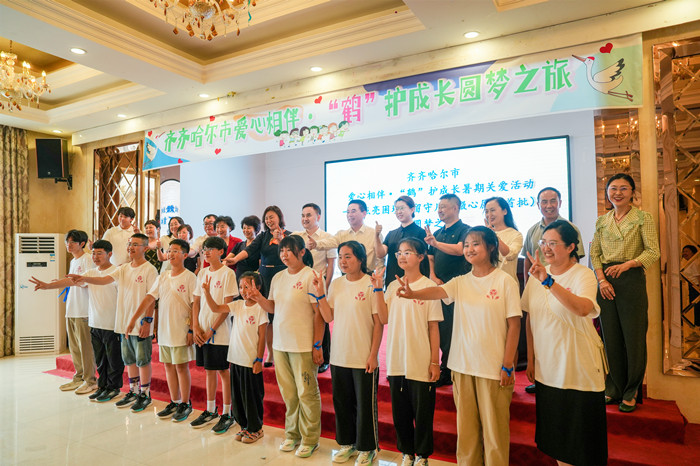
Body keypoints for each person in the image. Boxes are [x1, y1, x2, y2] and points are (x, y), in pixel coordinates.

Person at [397, 227, 521, 466]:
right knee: (466, 432)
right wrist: (413, 294)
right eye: (466, 245)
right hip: (462, 367)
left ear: (491, 247)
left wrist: (508, 364)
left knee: (494, 433)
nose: (469, 249)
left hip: (493, 369)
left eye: (475, 244)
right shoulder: (462, 281)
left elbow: (514, 325)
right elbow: (438, 291)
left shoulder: (505, 281)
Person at [522, 221, 608, 466]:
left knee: (582, 444)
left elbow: (583, 309)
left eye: (553, 243)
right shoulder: (535, 275)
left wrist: (549, 282)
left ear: (571, 247)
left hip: (578, 369)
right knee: (558, 440)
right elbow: (530, 318)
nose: (546, 248)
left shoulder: (583, 274)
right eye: (543, 242)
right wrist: (531, 359)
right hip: (548, 369)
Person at [249, 235, 324, 459]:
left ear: (302, 252)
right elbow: (273, 307)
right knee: (289, 394)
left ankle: (310, 439)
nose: (284, 254)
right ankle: (292, 434)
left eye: (289, 250)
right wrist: (258, 298)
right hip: (281, 345)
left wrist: (317, 344)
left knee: (307, 393)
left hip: (303, 345)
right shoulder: (278, 277)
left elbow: (319, 314)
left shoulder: (311, 276)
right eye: (282, 250)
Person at [591, 173, 660, 413]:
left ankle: (631, 391)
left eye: (623, 188)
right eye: (613, 188)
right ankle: (614, 387)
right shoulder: (602, 221)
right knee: (610, 338)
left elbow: (653, 251)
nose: (617, 193)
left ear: (632, 192)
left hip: (631, 279)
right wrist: (601, 280)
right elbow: (595, 254)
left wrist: (628, 264)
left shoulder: (643, 218)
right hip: (605, 283)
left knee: (633, 338)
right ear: (607, 193)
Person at [68, 233, 159, 412]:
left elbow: (151, 298)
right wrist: (84, 278)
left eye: (136, 244)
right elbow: (104, 280)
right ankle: (133, 391)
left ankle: (145, 394)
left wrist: (147, 321)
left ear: (145, 248)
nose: (131, 247)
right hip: (124, 323)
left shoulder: (149, 269)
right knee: (129, 360)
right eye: (129, 244)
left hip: (140, 323)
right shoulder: (123, 268)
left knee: (142, 360)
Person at [313, 241, 383, 466]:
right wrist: (320, 294)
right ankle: (347, 444)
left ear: (360, 259)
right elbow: (328, 317)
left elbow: (379, 323)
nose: (342, 261)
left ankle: (368, 448)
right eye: (341, 257)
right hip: (339, 355)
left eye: (348, 256)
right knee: (342, 402)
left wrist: (373, 354)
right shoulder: (337, 284)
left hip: (363, 356)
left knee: (364, 404)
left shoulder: (370, 283)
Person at [374, 238, 442, 466]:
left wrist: (435, 362)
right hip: (396, 359)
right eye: (399, 253)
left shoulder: (429, 287)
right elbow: (383, 318)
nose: (401, 256)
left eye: (408, 252)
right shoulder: (393, 287)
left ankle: (422, 455)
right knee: (400, 411)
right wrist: (378, 289)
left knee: (423, 413)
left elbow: (434, 327)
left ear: (421, 257)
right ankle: (407, 452)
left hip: (421, 360)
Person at [521, 187, 585, 394]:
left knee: (559, 330)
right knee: (539, 330)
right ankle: (540, 375)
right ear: (538, 204)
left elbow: (576, 260)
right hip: (537, 286)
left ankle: (565, 376)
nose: (548, 205)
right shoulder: (532, 230)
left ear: (560, 202)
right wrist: (527, 285)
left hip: (561, 286)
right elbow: (527, 260)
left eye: (553, 201)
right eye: (544, 201)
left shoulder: (570, 228)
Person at [126, 239, 197, 423]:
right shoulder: (163, 276)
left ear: (185, 255)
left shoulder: (190, 277)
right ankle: (174, 401)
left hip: (181, 329)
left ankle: (185, 403)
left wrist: (192, 329)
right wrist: (133, 319)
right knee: (168, 366)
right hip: (165, 330)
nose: (171, 254)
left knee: (181, 367)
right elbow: (149, 298)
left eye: (175, 251)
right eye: (169, 250)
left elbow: (194, 305)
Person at [202, 271, 269, 444]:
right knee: (238, 397)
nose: (243, 290)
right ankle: (244, 426)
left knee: (251, 397)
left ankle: (256, 428)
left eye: (247, 286)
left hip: (250, 361)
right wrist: (207, 293)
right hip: (235, 359)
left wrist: (259, 359)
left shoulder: (261, 308)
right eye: (241, 287)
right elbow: (216, 308)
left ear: (257, 287)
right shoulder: (238, 305)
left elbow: (262, 336)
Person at [30, 230, 97, 394]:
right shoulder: (74, 261)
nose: (68, 245)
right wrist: (61, 282)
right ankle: (79, 377)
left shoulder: (88, 259)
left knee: (85, 348)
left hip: (83, 310)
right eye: (67, 242)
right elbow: (71, 282)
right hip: (72, 309)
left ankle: (90, 380)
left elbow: (80, 281)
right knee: (74, 348)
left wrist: (50, 285)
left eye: (72, 242)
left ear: (82, 244)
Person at [226, 206, 292, 367]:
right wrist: (235, 260)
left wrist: (280, 239)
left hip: (282, 277)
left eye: (272, 217)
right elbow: (250, 250)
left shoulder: (289, 235)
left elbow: (289, 253)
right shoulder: (263, 236)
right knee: (267, 318)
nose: (269, 220)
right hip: (264, 277)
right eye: (266, 218)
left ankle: (286, 350)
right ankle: (270, 353)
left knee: (283, 314)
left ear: (279, 217)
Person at [191, 236, 239, 431]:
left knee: (223, 371)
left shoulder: (228, 273)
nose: (206, 252)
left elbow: (227, 307)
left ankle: (228, 413)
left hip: (220, 332)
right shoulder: (202, 273)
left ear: (221, 252)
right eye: (204, 249)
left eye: (210, 249)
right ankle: (210, 409)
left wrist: (212, 329)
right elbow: (196, 302)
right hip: (202, 330)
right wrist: (196, 327)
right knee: (209, 370)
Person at [424, 193, 471, 387]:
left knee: (455, 329)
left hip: (458, 288)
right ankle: (445, 367)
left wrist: (435, 243)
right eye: (438, 207)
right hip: (439, 288)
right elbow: (430, 257)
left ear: (456, 208)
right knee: (442, 328)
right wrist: (432, 276)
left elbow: (460, 250)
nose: (440, 210)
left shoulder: (465, 230)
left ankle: (453, 368)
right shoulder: (437, 232)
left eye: (443, 206)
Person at [294, 202, 337, 373]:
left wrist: (325, 287)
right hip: (300, 284)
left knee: (322, 320)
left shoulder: (327, 237)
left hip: (319, 284)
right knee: (305, 318)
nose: (305, 219)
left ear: (318, 217)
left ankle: (325, 358)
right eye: (303, 215)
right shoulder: (297, 236)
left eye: (309, 215)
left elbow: (331, 265)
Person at [308, 199, 384, 272]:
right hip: (345, 277)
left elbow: (380, 260)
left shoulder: (374, 234)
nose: (349, 215)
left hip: (367, 276)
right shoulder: (342, 234)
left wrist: (380, 279)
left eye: (353, 211)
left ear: (364, 213)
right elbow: (329, 242)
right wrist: (316, 244)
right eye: (348, 212)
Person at [375, 195, 429, 288]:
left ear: (412, 209)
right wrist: (376, 236)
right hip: (392, 280)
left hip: (414, 283)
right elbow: (380, 254)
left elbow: (424, 259)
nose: (399, 212)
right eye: (396, 209)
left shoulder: (421, 233)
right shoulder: (391, 234)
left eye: (402, 208)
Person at [484, 196, 523, 282]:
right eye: (486, 211)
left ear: (505, 211)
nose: (489, 215)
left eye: (492, 210)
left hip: (507, 284)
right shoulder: (483, 235)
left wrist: (494, 236)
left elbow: (510, 255)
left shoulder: (516, 235)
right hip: (486, 283)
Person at [232, 215, 262, 282]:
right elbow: (229, 259)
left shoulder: (260, 246)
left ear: (256, 230)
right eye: (244, 228)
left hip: (253, 279)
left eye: (249, 228)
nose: (246, 230)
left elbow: (261, 266)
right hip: (239, 279)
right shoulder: (239, 245)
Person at [682, 245, 700, 326]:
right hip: (691, 287)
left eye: (687, 251)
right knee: (695, 308)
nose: (684, 253)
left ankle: (697, 326)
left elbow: (698, 276)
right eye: (683, 251)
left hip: (696, 287)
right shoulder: (689, 263)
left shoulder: (694, 263)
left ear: (693, 252)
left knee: (697, 307)